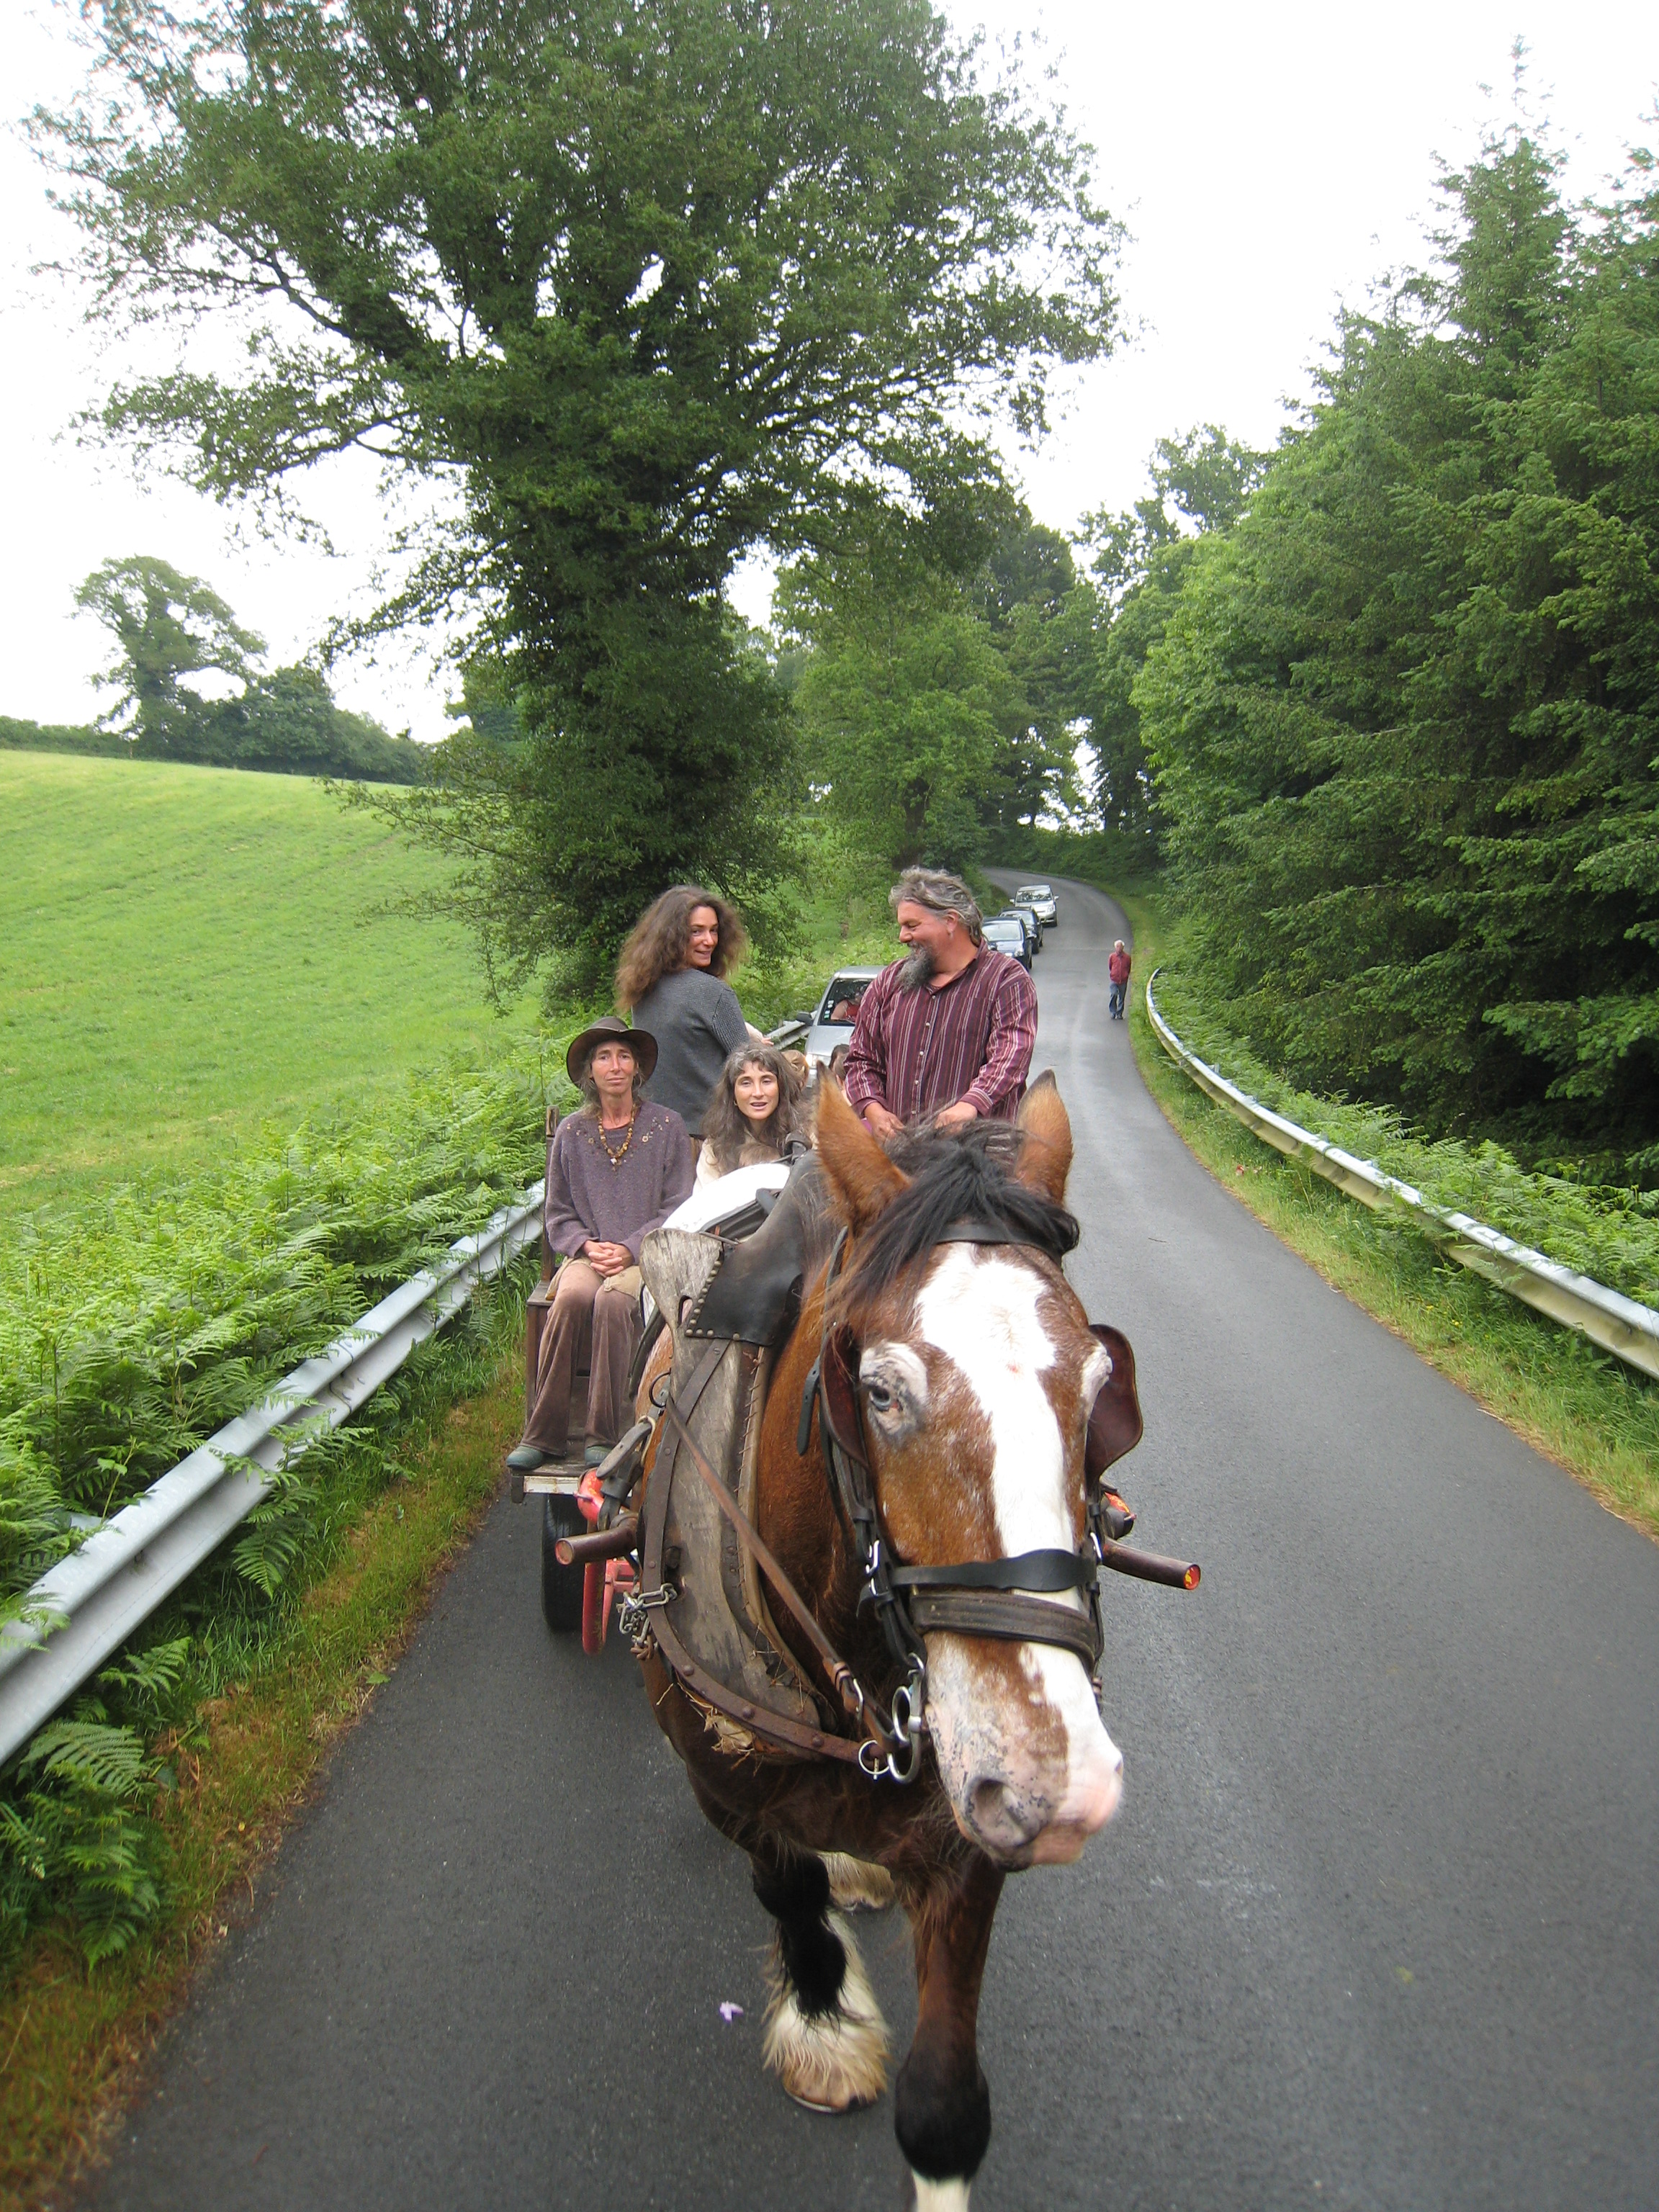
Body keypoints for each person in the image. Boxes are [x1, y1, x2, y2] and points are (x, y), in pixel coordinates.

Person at [508, 1018, 693, 1473]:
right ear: (589, 1071)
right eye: (604, 1057)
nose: (615, 1066)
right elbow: (557, 1211)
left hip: (646, 1255)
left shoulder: (667, 1126)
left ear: (637, 1069)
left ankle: (603, 1435)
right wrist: (587, 1247)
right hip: (587, 1254)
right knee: (570, 1298)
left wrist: (630, 1248)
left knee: (613, 1304)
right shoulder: (572, 1132)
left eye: (624, 1057)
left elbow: (678, 1206)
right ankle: (543, 1434)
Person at [842, 868, 1038, 1136]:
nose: (902, 936)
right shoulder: (889, 983)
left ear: (950, 921)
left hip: (979, 1156)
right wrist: (874, 1110)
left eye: (912, 926)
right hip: (901, 1155)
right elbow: (861, 1058)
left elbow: (1011, 1055)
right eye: (902, 926)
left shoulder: (1006, 980)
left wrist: (970, 1105)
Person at [616, 884, 762, 1139]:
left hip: (655, 1134)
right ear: (672, 936)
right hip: (711, 1139)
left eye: (714, 930)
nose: (710, 941)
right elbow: (751, 1069)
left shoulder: (642, 989)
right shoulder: (712, 992)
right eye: (697, 931)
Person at [696, 1040, 808, 1186]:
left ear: (781, 1088)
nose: (758, 1093)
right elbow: (707, 1197)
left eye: (766, 1081)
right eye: (746, 1083)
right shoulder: (715, 1146)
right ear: (733, 1094)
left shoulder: (806, 1135)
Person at [1107, 939, 1132, 1021]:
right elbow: (1110, 966)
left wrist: (1126, 975)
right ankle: (1113, 1012)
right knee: (1114, 994)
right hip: (1114, 979)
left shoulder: (1127, 957)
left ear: (1123, 948)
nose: (1119, 948)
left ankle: (1119, 1013)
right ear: (1115, 947)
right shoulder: (1112, 956)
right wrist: (1113, 973)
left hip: (1123, 980)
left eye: (1120, 947)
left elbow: (1129, 967)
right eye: (1117, 946)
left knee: (1122, 997)